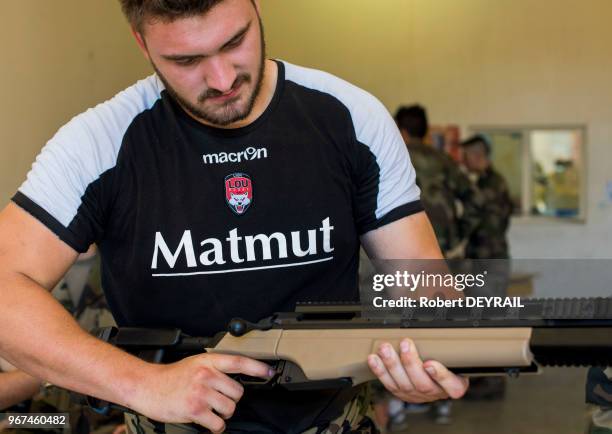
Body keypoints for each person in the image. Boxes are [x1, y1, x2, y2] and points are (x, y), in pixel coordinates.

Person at [0, 1, 469, 433]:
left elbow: (422, 281)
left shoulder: (350, 117)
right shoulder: (98, 143)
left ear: (256, 8)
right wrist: (140, 383)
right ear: (142, 43)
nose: (222, 79)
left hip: (332, 421)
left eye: (234, 42)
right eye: (186, 61)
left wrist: (429, 351)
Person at [395, 105, 482, 260]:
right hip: (439, 247)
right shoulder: (443, 160)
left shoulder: (392, 160)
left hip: (401, 249)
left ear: (402, 131)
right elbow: (475, 198)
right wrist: (456, 235)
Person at [460, 135, 513, 260]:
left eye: (465, 156)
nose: (463, 161)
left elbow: (470, 218)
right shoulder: (494, 180)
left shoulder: (488, 184)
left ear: (477, 156)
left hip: (487, 256)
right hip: (489, 254)